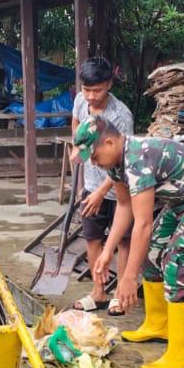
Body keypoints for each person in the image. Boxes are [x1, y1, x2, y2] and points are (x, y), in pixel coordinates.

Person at [79, 116, 184, 368]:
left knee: (177, 266)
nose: (93, 162)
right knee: (151, 254)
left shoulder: (138, 159)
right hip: (183, 199)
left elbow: (143, 223)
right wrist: (107, 250)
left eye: (94, 156)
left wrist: (128, 278)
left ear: (108, 142)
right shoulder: (116, 163)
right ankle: (158, 324)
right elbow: (125, 206)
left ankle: (183, 355)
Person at [70, 57, 134, 316]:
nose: (90, 96)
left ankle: (120, 294)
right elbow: (75, 121)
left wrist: (100, 191)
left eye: (96, 90)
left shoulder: (121, 115)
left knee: (123, 241)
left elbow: (122, 157)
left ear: (109, 84)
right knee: (93, 238)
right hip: (90, 184)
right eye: (86, 89)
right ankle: (99, 293)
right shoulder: (80, 101)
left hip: (117, 187)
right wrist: (76, 145)